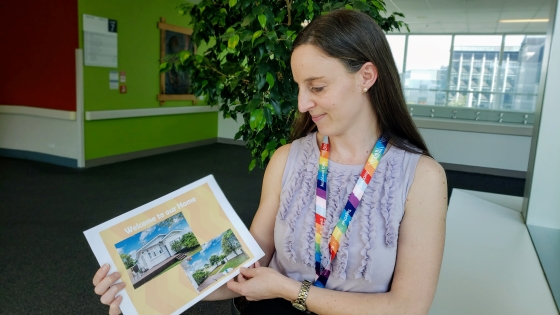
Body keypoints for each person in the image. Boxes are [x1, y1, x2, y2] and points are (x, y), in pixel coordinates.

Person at [93, 9, 447, 315]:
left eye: (318, 87)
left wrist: (290, 290)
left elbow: (408, 307)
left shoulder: (421, 177)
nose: (302, 104)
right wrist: (144, 293)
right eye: (298, 86)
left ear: (366, 77)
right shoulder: (287, 159)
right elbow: (245, 267)